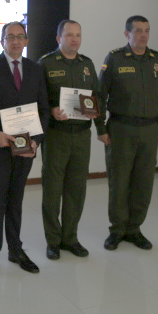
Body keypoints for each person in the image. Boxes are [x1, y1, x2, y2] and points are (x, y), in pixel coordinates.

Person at [0, 21, 49, 279]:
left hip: (25, 148)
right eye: (10, 37)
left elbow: (43, 110)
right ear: (2, 41)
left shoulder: (35, 70)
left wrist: (36, 140)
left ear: (26, 41)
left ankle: (15, 250)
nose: (15, 41)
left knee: (16, 201)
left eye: (20, 37)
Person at [97, 15, 158, 251]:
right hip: (121, 129)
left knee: (144, 182)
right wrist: (100, 128)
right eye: (138, 30)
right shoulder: (115, 58)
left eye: (147, 30)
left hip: (149, 130)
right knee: (119, 182)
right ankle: (117, 230)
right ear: (127, 34)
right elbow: (100, 95)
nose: (143, 35)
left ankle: (134, 229)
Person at [38, 20, 101, 260]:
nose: (74, 39)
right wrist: (51, 110)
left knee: (76, 189)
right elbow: (37, 98)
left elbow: (96, 95)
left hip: (82, 135)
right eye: (69, 35)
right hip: (57, 135)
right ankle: (53, 241)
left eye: (78, 35)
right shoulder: (46, 63)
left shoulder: (87, 64)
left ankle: (70, 238)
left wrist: (95, 112)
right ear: (59, 38)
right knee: (53, 190)